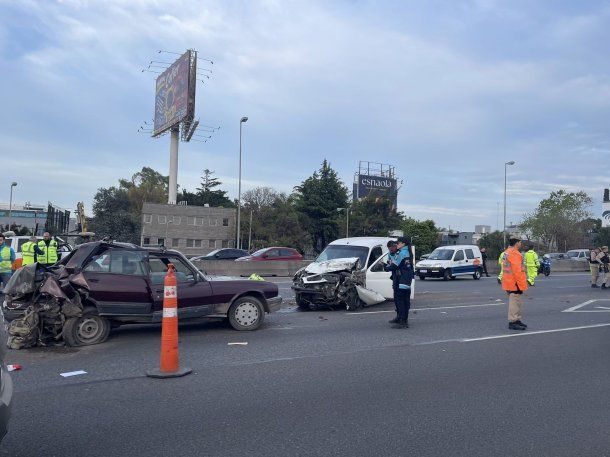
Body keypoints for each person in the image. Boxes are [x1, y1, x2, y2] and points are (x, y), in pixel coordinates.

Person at [501, 236, 529, 331]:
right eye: (520, 242)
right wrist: (521, 284)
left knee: (516, 302)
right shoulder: (514, 253)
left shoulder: (506, 252)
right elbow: (518, 271)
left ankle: (516, 320)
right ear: (517, 243)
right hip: (514, 282)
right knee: (514, 302)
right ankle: (513, 321)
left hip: (508, 281)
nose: (521, 244)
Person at [387, 237, 414, 329]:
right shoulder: (405, 252)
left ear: (403, 244)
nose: (396, 244)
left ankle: (403, 321)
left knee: (402, 301)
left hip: (403, 279)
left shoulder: (403, 253)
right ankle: (400, 318)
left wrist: (384, 267)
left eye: (398, 243)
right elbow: (392, 262)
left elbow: (393, 265)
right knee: (401, 300)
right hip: (403, 279)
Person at [385, 240, 401, 324]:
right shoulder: (390, 253)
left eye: (391, 249)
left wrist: (386, 267)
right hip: (395, 276)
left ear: (395, 246)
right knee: (396, 298)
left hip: (401, 277)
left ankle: (402, 318)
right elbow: (389, 262)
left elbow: (393, 265)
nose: (390, 251)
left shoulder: (399, 253)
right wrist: (388, 265)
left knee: (401, 299)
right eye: (389, 249)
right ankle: (398, 316)